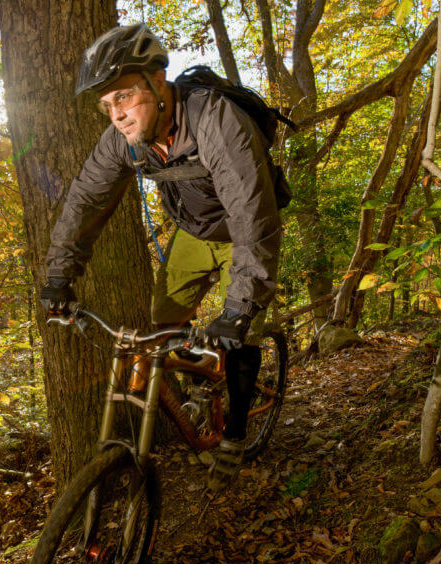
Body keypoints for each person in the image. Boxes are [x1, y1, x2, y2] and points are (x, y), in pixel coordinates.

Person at [40, 23, 284, 491]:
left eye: (125, 98)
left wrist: (238, 310)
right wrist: (58, 277)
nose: (117, 114)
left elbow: (252, 213)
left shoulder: (214, 120)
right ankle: (200, 384)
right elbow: (85, 203)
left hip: (242, 231)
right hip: (194, 232)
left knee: (241, 328)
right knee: (163, 320)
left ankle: (234, 433)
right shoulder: (123, 140)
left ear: (157, 82)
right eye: (107, 105)